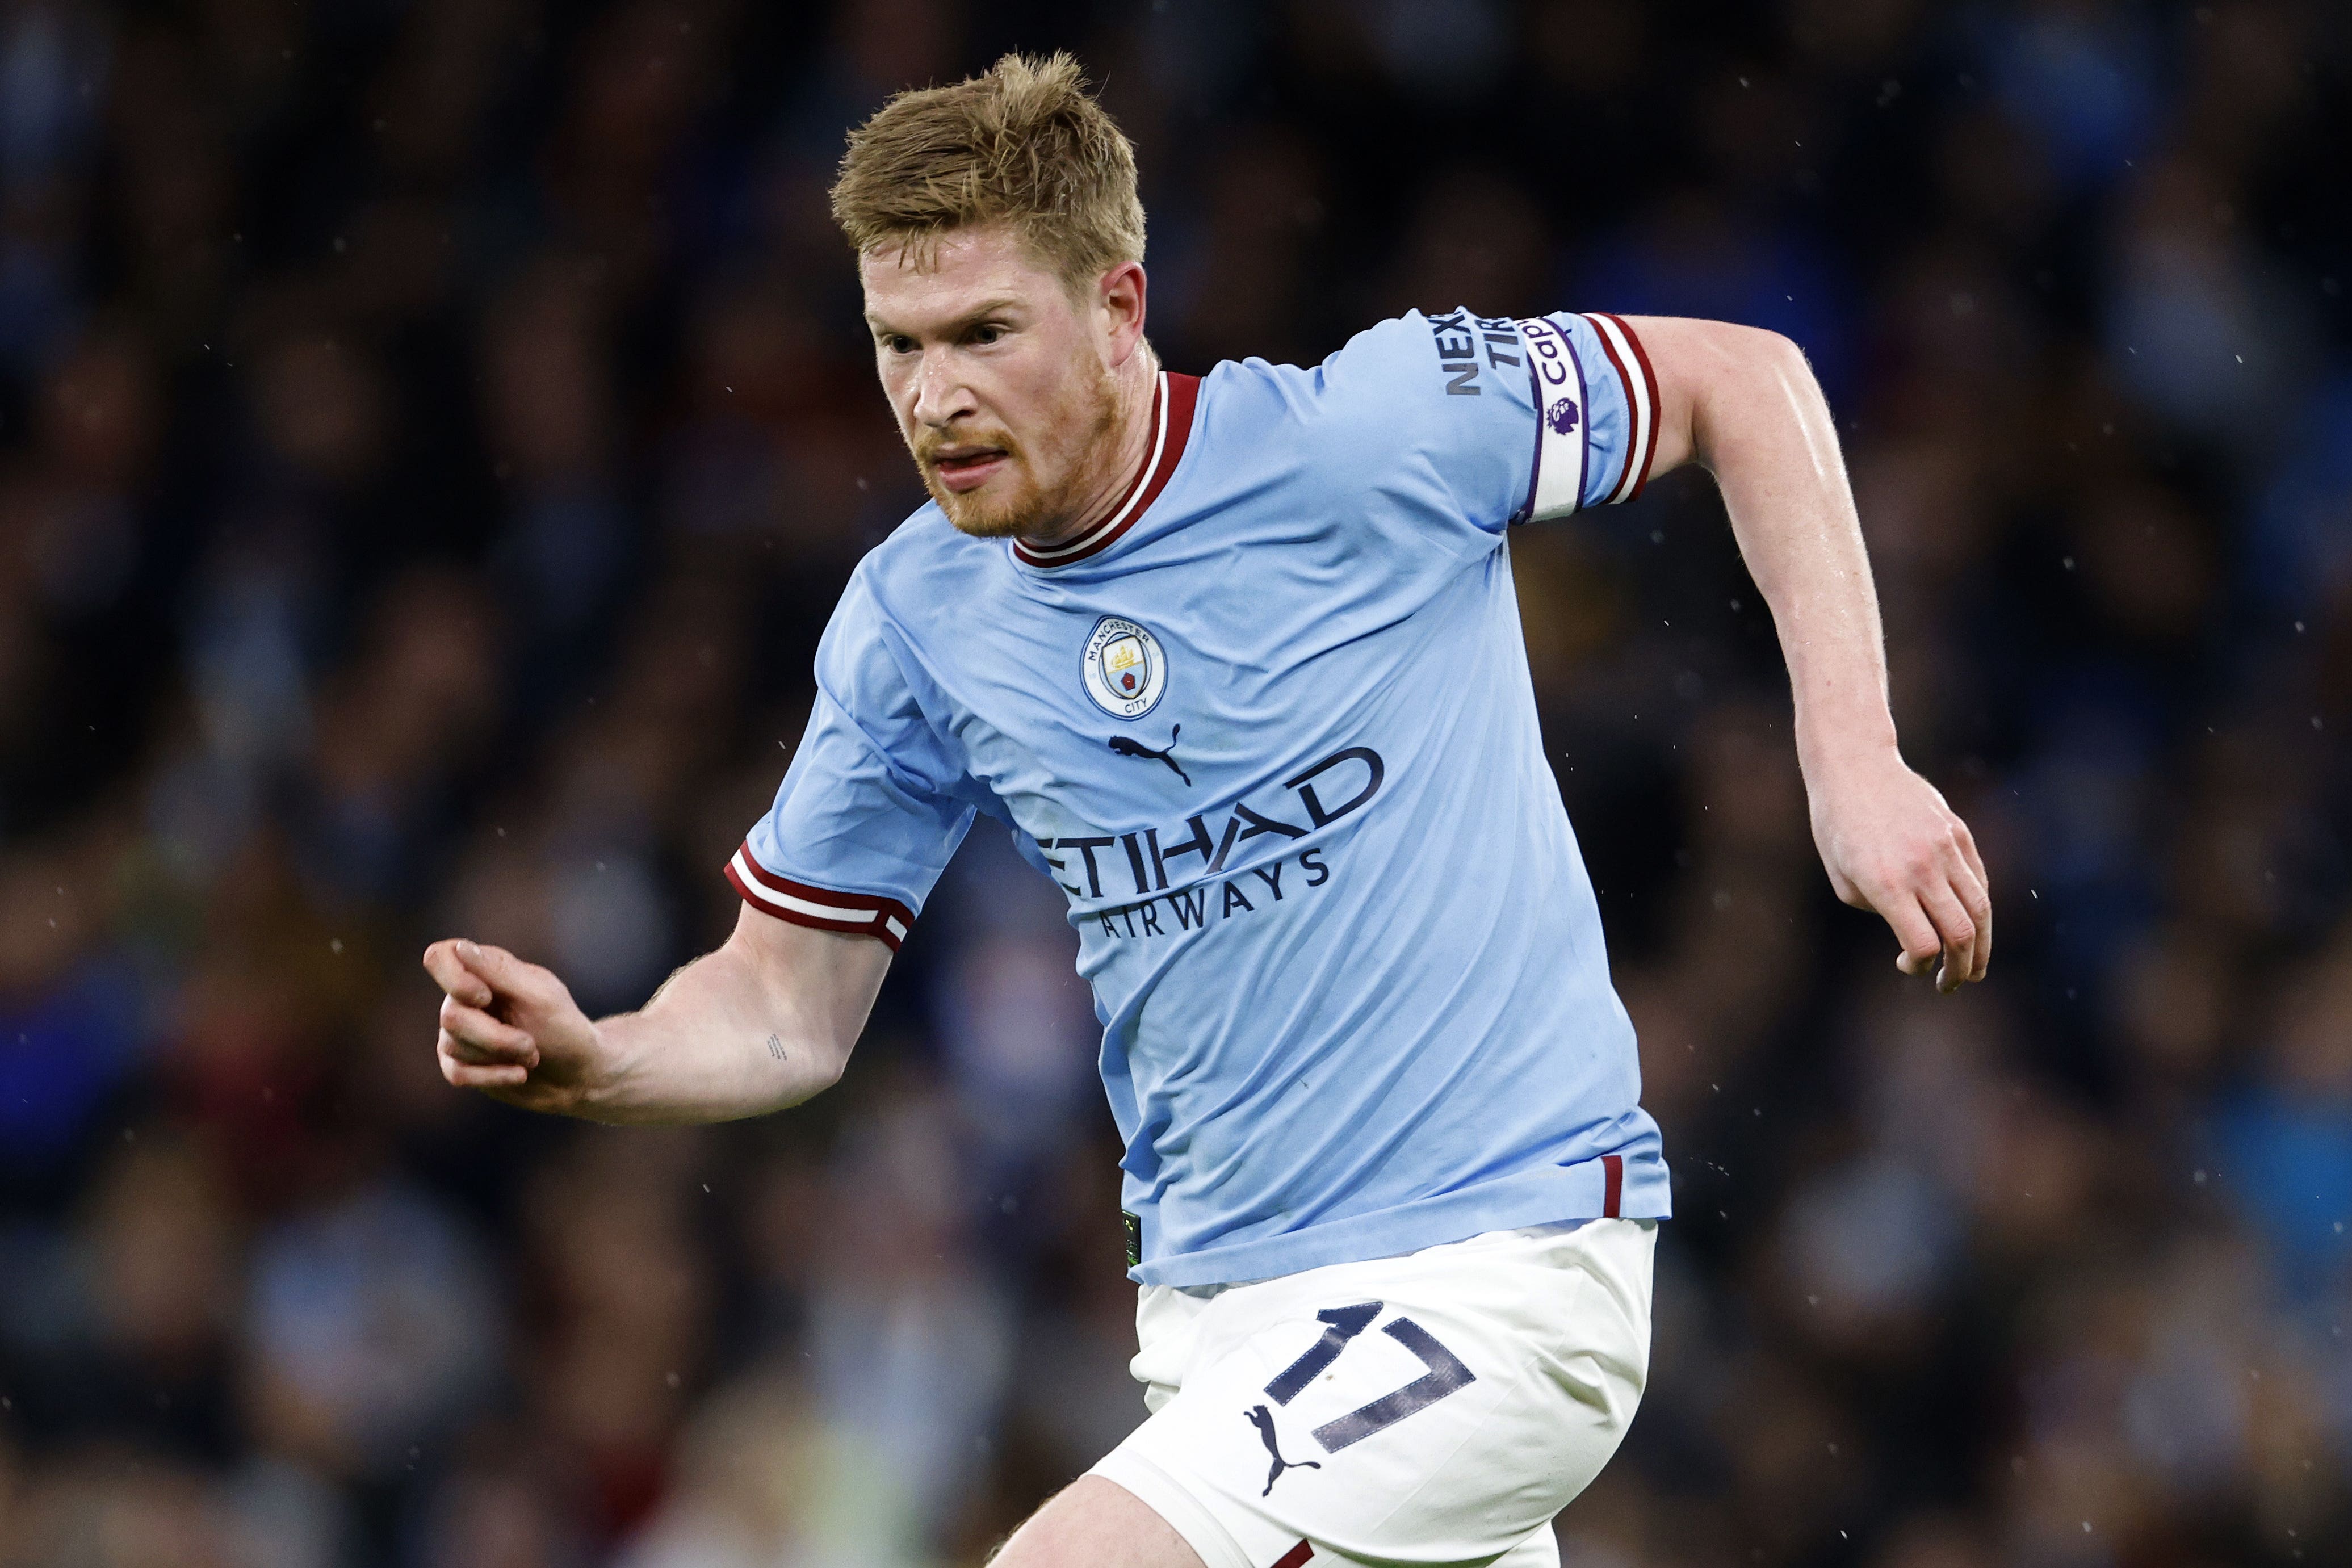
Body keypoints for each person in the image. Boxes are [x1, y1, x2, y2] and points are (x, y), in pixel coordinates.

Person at [424, 52, 1992, 1568]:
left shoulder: (1371, 434)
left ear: (1119, 308)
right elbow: (783, 1005)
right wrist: (604, 1056)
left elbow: (1747, 377)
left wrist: (1852, 754)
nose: (934, 395)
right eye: (898, 343)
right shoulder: (915, 619)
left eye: (982, 331)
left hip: (1499, 1274)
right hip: (1220, 1330)